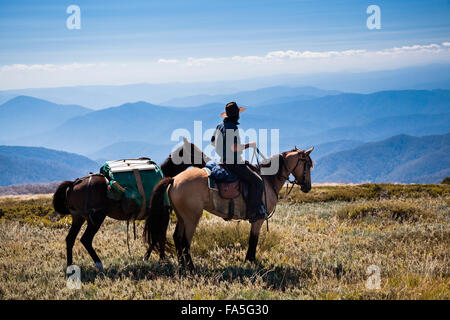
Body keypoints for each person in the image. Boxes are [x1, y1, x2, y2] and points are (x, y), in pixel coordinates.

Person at [211, 101, 268, 222]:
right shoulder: (233, 127)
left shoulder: (219, 126)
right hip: (234, 163)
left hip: (222, 162)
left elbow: (212, 143)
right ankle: (253, 213)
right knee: (257, 181)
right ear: (236, 114)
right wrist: (249, 145)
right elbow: (235, 148)